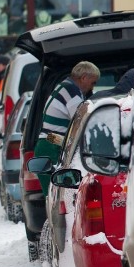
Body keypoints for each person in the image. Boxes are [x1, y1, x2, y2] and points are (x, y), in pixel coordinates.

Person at [34, 60, 101, 195]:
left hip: (47, 145)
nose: (92, 88)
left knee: (55, 197)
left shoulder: (65, 86)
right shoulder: (72, 92)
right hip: (52, 147)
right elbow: (81, 122)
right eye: (93, 82)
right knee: (60, 196)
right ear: (84, 78)